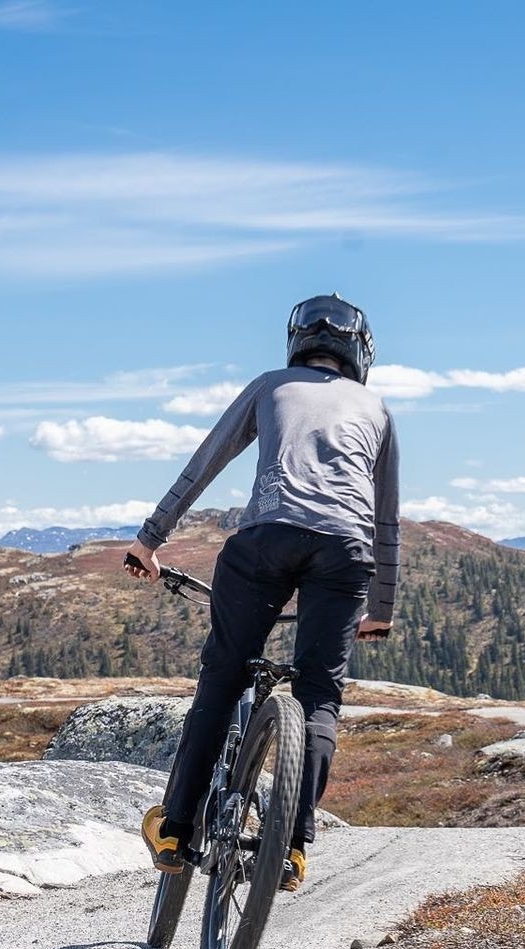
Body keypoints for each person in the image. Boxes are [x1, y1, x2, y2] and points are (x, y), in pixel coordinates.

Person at [123, 293, 399, 892]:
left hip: (265, 541)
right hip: (344, 555)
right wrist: (380, 609)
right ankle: (294, 849)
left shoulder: (271, 385)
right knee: (320, 695)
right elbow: (386, 518)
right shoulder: (376, 409)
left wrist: (149, 541)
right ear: (361, 352)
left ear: (297, 341)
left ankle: (174, 830)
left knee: (222, 680)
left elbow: (205, 465)